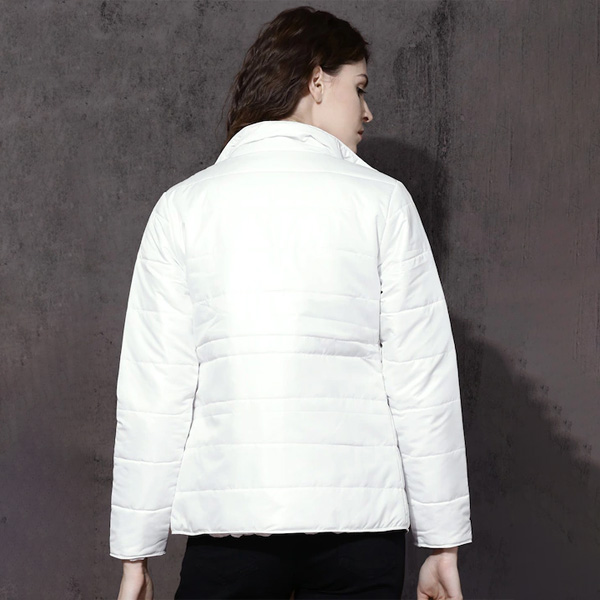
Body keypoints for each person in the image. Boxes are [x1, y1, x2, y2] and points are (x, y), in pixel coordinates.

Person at [109, 5, 473, 600]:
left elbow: (155, 393)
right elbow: (423, 381)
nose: (367, 111)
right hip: (360, 529)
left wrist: (134, 555)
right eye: (359, 87)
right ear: (316, 80)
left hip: (231, 529)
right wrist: (443, 543)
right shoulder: (383, 202)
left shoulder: (183, 208)